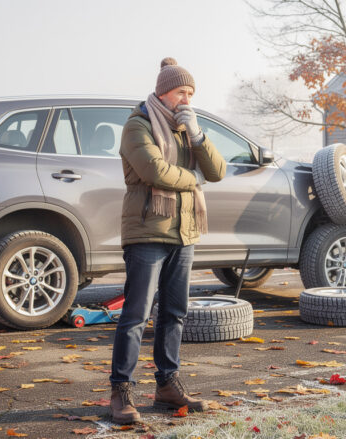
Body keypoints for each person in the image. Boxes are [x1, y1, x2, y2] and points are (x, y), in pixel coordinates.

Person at [109, 57, 226, 424]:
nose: (187, 99)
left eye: (191, 92)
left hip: (184, 232)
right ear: (164, 92)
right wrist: (192, 178)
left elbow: (218, 171)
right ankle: (120, 390)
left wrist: (199, 136)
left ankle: (166, 385)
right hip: (147, 232)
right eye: (181, 92)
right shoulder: (137, 125)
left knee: (174, 312)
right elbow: (152, 170)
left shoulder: (184, 128)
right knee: (135, 315)